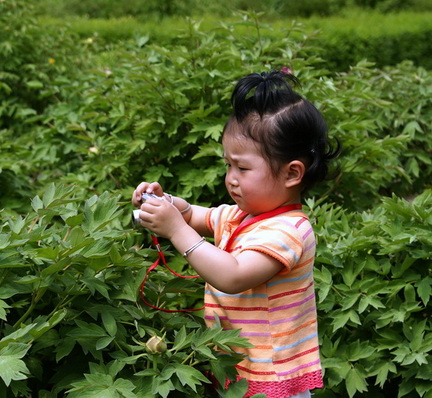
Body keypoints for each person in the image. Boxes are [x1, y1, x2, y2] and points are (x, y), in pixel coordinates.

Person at [131, 70, 340, 398]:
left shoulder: (290, 231)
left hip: (272, 377)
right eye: (228, 165)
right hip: (239, 366)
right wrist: (167, 204)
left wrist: (176, 229)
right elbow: (197, 215)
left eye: (242, 168)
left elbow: (233, 275)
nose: (231, 178)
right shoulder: (244, 215)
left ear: (292, 173)